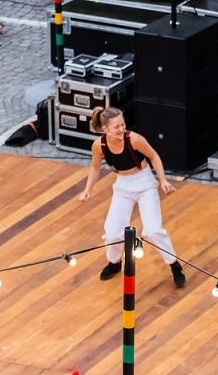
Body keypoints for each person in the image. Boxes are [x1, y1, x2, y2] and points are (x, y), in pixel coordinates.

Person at [77, 106, 184, 287]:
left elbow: (154, 156)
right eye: (116, 126)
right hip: (122, 185)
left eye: (123, 124)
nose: (121, 129)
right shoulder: (99, 145)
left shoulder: (133, 139)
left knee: (152, 230)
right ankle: (114, 262)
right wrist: (88, 189)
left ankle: (174, 264)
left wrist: (163, 180)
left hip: (144, 183)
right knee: (112, 232)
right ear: (106, 129)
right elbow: (95, 167)